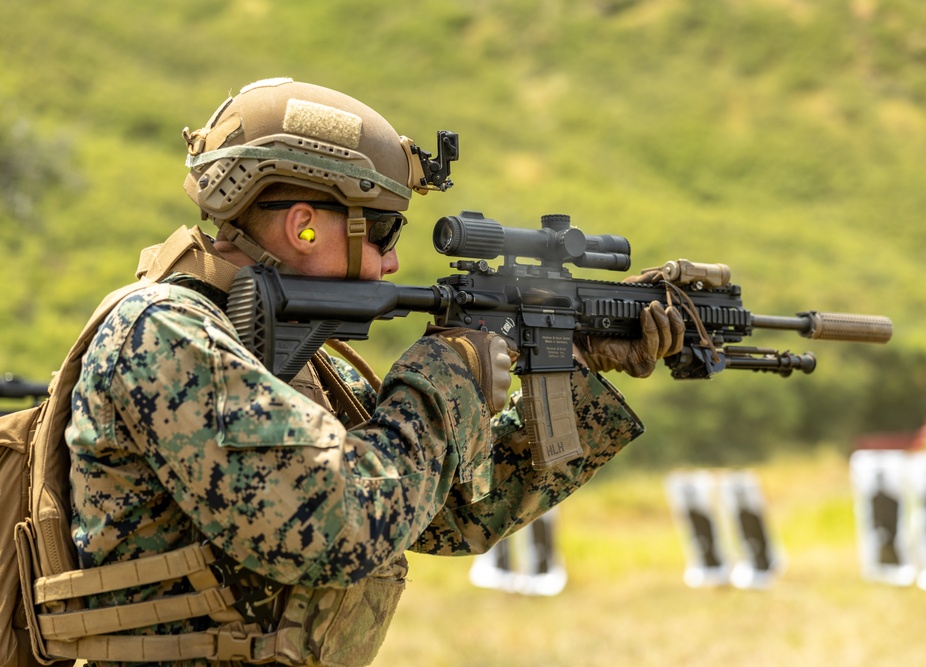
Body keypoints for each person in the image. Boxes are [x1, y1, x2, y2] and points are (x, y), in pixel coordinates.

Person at [64, 77, 683, 666]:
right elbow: (344, 527)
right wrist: (448, 371)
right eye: (384, 230)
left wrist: (574, 367)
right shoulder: (164, 335)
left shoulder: (290, 362)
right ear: (301, 225)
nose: (390, 262)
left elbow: (450, 513)